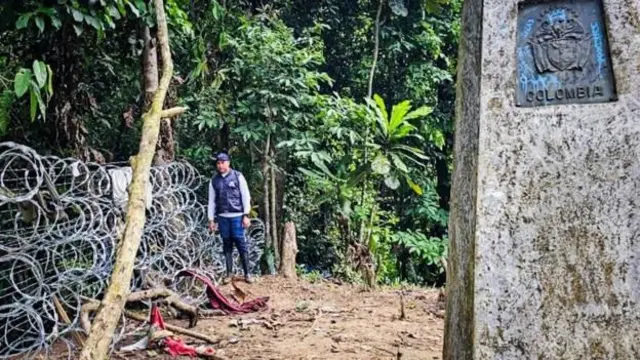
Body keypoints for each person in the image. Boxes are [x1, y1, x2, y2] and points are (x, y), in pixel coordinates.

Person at [207, 152, 254, 284]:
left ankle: (247, 273)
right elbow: (212, 201)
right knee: (226, 244)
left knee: (241, 244)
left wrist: (246, 215)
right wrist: (211, 219)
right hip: (222, 217)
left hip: (237, 215)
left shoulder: (238, 176)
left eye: (222, 162)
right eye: (218, 163)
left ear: (228, 163)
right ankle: (229, 273)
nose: (220, 165)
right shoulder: (214, 180)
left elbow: (246, 196)